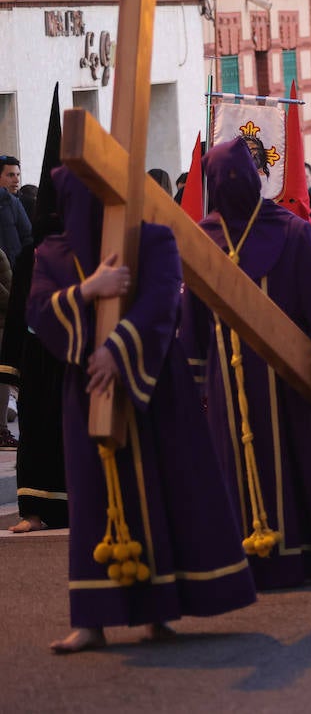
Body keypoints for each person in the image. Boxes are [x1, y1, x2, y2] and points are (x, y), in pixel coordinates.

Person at [32, 168, 257, 653]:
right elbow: (38, 311)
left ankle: (161, 611)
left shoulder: (151, 238)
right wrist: (89, 291)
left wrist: (118, 349)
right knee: (93, 499)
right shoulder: (52, 253)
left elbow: (162, 301)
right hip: (88, 386)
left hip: (154, 384)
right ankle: (91, 621)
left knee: (162, 489)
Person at [183, 138, 311, 589]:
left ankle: (306, 557)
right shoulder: (202, 239)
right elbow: (192, 319)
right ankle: (244, 563)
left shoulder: (292, 232)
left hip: (287, 378)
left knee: (300, 467)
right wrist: (192, 384)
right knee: (233, 467)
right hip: (226, 384)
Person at [4, 93, 68, 529]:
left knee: (70, 431)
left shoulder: (91, 248)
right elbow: (16, 314)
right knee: (37, 431)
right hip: (37, 356)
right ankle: (35, 509)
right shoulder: (29, 256)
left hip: (76, 357)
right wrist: (10, 365)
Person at [0, 154, 33, 265]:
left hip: (15, 270)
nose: (16, 179)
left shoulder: (22, 203)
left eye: (18, 175)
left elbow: (28, 237)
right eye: (10, 175)